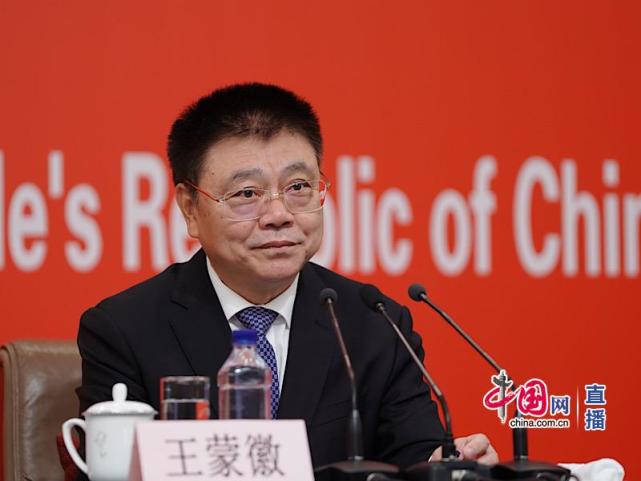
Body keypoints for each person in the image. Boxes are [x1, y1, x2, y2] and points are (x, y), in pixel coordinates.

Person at [76, 83, 497, 468]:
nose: (278, 215)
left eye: (298, 187)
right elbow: (110, 472)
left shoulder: (376, 325)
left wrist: (447, 465)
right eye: (247, 193)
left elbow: (413, 455)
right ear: (190, 209)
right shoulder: (125, 330)